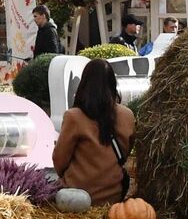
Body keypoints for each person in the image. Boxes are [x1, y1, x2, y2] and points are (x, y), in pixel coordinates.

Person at [51, 58, 136, 204]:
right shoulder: (127, 115)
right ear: (112, 84)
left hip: (76, 198)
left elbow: (59, 161)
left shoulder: (74, 117)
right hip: (113, 197)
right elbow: (126, 152)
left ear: (84, 84)